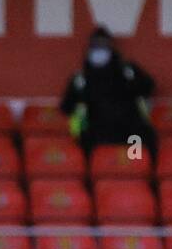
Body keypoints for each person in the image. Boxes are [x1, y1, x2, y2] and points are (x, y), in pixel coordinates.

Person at [59, 25, 157, 159]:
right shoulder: (81, 79)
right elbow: (66, 107)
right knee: (86, 148)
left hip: (131, 132)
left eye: (103, 45)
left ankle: (137, 172)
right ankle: (95, 176)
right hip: (98, 134)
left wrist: (134, 81)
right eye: (96, 45)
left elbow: (148, 88)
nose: (100, 49)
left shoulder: (128, 71)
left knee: (138, 153)